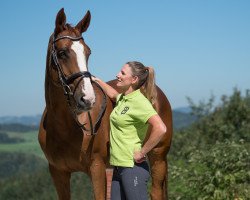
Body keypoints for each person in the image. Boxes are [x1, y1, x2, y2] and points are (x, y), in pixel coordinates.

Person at [92, 61, 166, 200]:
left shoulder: (139, 102)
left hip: (133, 168)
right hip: (118, 168)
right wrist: (97, 80)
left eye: (122, 73)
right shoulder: (124, 99)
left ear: (134, 79)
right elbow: (113, 94)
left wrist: (143, 152)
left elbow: (161, 128)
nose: (117, 75)